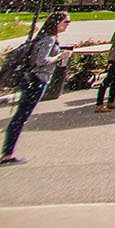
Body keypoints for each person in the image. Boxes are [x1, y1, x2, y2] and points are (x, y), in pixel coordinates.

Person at [1, 12, 71, 165]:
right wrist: (60, 56)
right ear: (57, 23)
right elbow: (40, 60)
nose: (68, 25)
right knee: (21, 117)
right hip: (36, 80)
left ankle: (7, 151)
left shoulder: (45, 37)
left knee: (20, 116)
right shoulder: (49, 39)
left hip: (31, 80)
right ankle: (7, 154)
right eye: (66, 22)